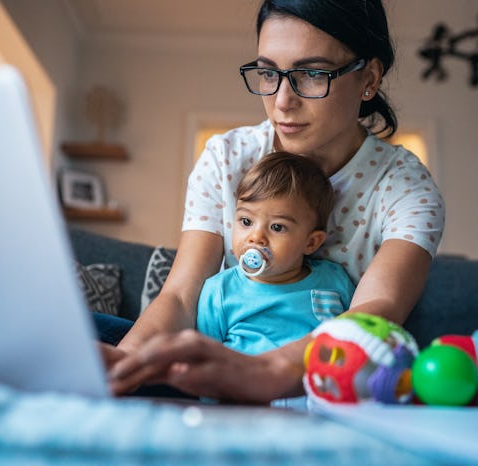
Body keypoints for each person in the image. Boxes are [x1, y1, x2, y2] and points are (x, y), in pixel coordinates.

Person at [102, 0, 446, 404]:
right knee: (82, 336)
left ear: (368, 78)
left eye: (312, 74)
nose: (282, 100)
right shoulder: (226, 157)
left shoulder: (405, 186)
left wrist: (268, 370)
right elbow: (181, 296)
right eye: (269, 73)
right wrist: (124, 365)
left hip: (327, 376)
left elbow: (374, 312)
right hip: (217, 364)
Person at [196, 151, 356, 358]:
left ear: (311, 242)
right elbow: (205, 363)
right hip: (242, 387)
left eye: (277, 227)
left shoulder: (333, 280)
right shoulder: (219, 291)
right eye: (246, 222)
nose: (256, 237)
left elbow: (357, 340)